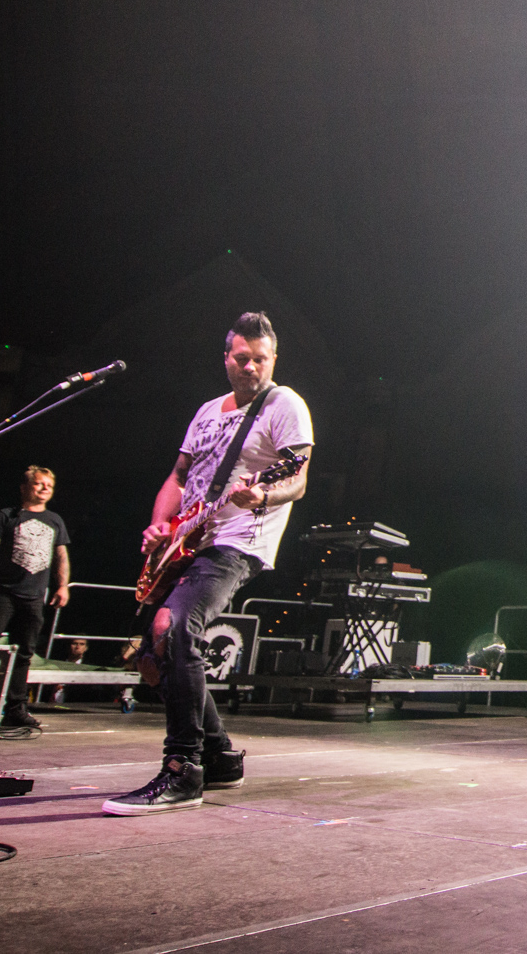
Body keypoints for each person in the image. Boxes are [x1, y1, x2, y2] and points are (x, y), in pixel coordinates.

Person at [103, 311, 312, 816]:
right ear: (226, 358)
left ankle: (184, 768)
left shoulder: (284, 403)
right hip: (186, 538)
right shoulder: (206, 412)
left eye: (260, 359)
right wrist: (160, 527)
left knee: (172, 627)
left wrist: (262, 496)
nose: (251, 367)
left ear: (273, 359)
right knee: (154, 654)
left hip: (237, 541)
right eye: (242, 358)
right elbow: (179, 478)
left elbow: (298, 478)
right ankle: (218, 756)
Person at [0, 465, 71, 728]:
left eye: (49, 485)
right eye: (39, 483)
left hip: (33, 596)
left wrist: (62, 586)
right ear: (25, 487)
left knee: (24, 654)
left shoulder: (55, 520)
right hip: (2, 593)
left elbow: (61, 556)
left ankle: (15, 709)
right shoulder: (6, 516)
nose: (45, 488)